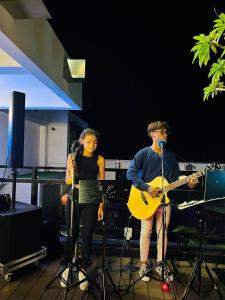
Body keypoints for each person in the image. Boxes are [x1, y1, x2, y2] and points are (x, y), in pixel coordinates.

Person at [126, 121, 198, 282]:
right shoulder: (143, 154)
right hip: (146, 199)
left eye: (166, 132)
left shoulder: (171, 156)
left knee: (162, 232)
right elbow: (130, 174)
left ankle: (160, 264)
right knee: (146, 231)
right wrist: (146, 188)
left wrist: (189, 182)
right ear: (153, 134)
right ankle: (143, 264)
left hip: (165, 201)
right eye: (162, 132)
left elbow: (176, 177)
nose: (165, 135)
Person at [61, 128, 105, 290]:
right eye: (89, 141)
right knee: (72, 232)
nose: (92, 144)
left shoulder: (100, 159)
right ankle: (67, 266)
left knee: (87, 234)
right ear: (81, 141)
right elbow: (67, 180)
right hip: (76, 193)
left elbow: (100, 184)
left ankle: (83, 268)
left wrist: (101, 205)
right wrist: (73, 170)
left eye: (95, 142)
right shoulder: (72, 157)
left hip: (92, 195)